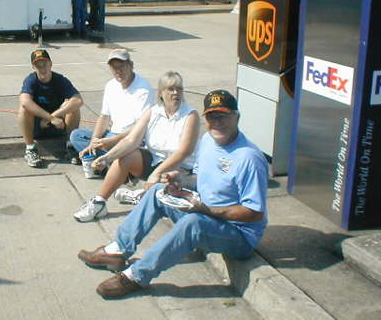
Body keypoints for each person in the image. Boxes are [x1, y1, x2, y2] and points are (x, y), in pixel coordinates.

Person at [77, 89, 268, 299]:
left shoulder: (249, 158)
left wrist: (207, 210)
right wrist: (180, 180)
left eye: (223, 116)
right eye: (212, 116)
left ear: (237, 117)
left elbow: (254, 213)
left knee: (193, 223)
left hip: (238, 235)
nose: (218, 122)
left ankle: (136, 276)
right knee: (158, 191)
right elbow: (198, 179)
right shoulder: (207, 141)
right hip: (206, 213)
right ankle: (117, 250)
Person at [73, 71, 200, 222]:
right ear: (161, 93)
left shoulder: (190, 115)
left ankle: (139, 196)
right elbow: (130, 140)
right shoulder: (153, 112)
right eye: (170, 89)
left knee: (164, 196)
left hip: (180, 171)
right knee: (125, 156)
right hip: (155, 163)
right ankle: (99, 203)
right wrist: (107, 158)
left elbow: (183, 152)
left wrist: (156, 173)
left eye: (179, 88)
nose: (176, 93)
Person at [69, 49, 153, 168]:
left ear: (131, 65)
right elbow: (104, 117)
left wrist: (112, 141)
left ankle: (111, 163)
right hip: (111, 135)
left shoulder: (143, 90)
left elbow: (140, 127)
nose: (118, 71)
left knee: (128, 148)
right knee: (76, 136)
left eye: (121, 67)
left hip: (132, 139)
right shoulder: (111, 86)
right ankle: (112, 162)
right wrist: (94, 142)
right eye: (114, 68)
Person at [18, 49, 83, 167]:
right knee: (24, 110)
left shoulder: (60, 80)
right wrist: (49, 118)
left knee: (73, 107)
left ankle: (70, 146)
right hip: (37, 126)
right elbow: (25, 101)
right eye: (38, 65)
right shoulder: (31, 80)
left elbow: (78, 100)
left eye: (45, 64)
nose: (42, 68)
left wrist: (53, 118)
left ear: (51, 64)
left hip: (58, 125)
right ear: (33, 67)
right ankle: (30, 149)